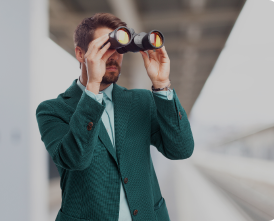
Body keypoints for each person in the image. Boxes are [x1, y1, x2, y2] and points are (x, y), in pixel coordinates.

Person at [36, 13, 194, 221]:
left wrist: (162, 84)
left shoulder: (141, 101)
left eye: (119, 48)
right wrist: (93, 88)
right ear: (81, 54)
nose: (114, 55)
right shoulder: (53, 110)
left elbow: (180, 149)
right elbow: (76, 159)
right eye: (104, 46)